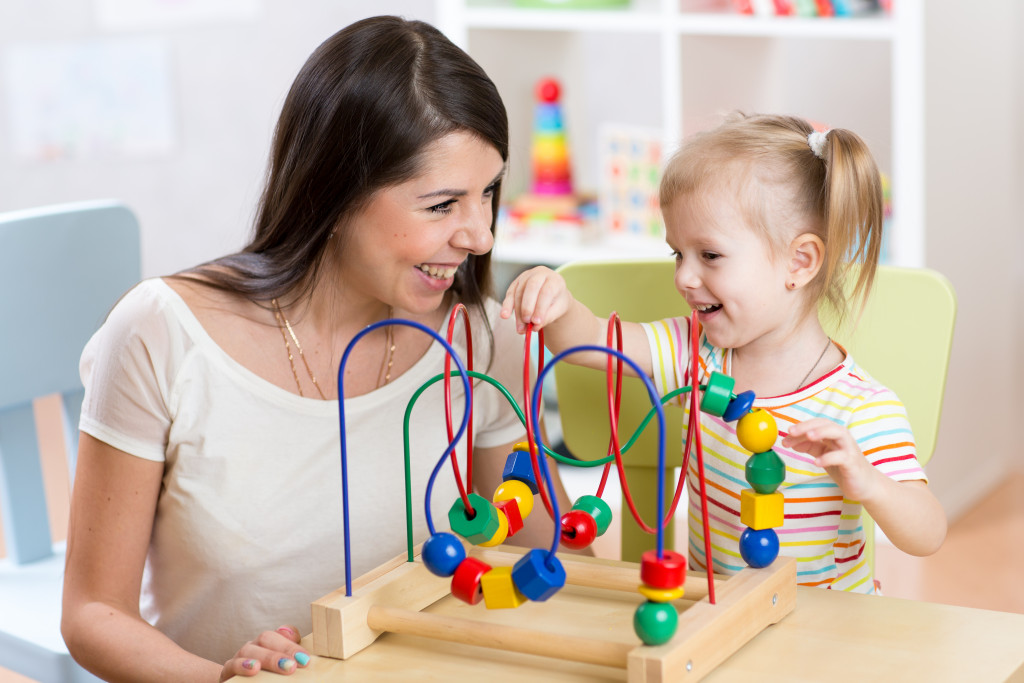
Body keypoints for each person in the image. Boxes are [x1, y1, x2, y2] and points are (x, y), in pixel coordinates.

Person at [62, 15, 571, 682]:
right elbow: (94, 612)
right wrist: (221, 678)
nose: (479, 234)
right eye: (442, 204)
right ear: (336, 193)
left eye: (489, 193)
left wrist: (556, 345)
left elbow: (553, 556)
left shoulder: (478, 335)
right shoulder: (161, 331)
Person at [501, 112, 946, 593]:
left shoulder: (859, 405)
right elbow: (589, 344)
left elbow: (928, 533)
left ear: (800, 262)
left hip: (823, 638)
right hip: (715, 618)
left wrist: (869, 483)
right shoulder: (696, 353)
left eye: (709, 255)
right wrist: (556, 300)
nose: (685, 278)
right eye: (678, 253)